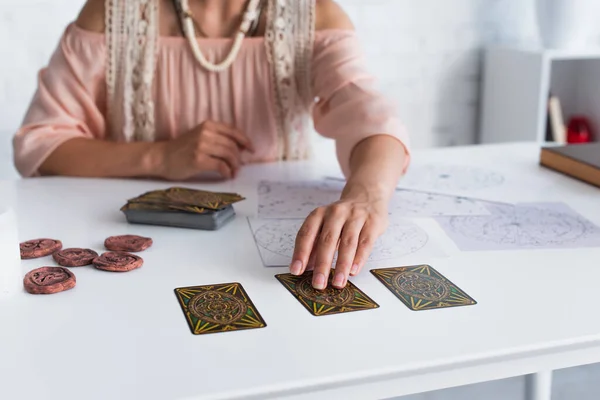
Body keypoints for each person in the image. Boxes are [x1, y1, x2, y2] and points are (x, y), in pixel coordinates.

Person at [13, 0, 410, 290]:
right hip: (142, 256)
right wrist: (161, 155)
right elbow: (39, 144)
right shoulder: (111, 14)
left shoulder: (313, 15)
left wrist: (367, 195)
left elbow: (372, 117)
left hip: (262, 254)